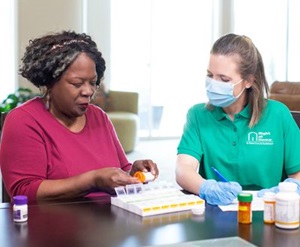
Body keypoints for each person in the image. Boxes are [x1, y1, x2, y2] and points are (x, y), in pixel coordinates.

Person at [0, 30, 158, 203]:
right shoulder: (23, 120)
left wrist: (133, 173)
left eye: (92, 82)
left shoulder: (99, 116)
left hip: (107, 223)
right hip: (55, 226)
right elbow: (24, 191)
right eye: (77, 83)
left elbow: (120, 170)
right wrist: (92, 180)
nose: (88, 91)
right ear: (50, 82)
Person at [175, 33, 300, 206]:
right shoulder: (198, 115)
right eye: (210, 75)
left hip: (272, 211)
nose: (213, 84)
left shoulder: (278, 115)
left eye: (224, 79)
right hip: (217, 213)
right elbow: (183, 169)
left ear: (248, 81)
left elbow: (298, 172)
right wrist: (207, 188)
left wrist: (291, 187)